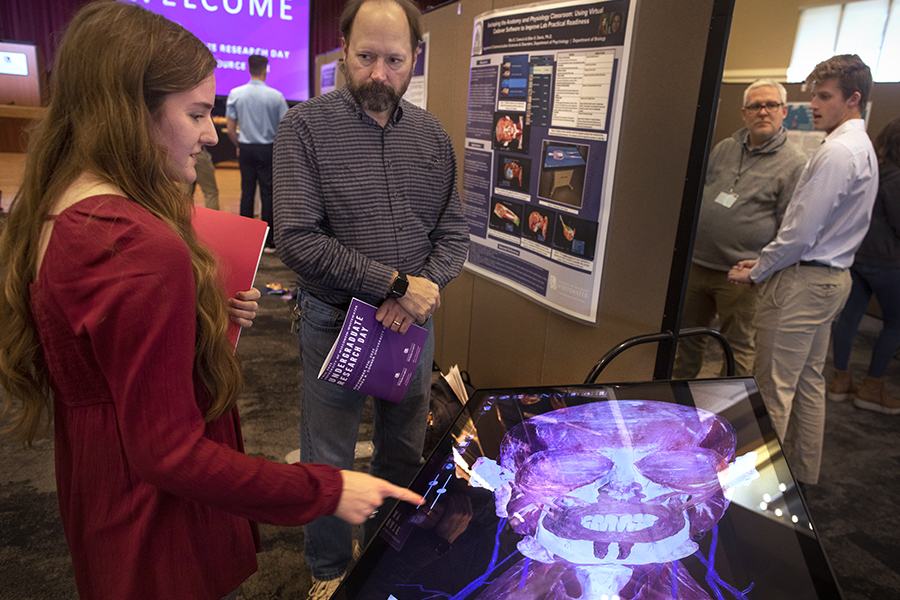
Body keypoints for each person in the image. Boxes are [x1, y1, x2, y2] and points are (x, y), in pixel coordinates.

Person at [0, 4, 422, 599]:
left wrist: (197, 315)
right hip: (155, 522)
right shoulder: (137, 248)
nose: (209, 133)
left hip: (102, 489)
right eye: (197, 113)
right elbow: (168, 450)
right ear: (127, 114)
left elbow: (104, 353)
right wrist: (324, 490)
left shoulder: (65, 208)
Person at [272, 0, 469, 597]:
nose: (378, 73)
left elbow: (452, 236)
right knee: (328, 460)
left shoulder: (432, 137)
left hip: (410, 328)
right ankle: (329, 572)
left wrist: (417, 293)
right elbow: (298, 240)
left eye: (393, 59)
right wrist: (395, 285)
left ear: (415, 58)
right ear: (342, 53)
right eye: (365, 58)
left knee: (403, 452)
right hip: (336, 323)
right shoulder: (304, 128)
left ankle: (387, 562)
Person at [728, 55, 878, 488]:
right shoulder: (859, 145)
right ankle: (801, 476)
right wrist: (767, 261)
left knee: (773, 389)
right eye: (813, 93)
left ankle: (755, 491)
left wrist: (759, 270)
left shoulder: (836, 152)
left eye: (824, 96)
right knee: (810, 381)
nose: (812, 103)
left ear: (853, 99)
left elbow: (800, 232)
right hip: (830, 279)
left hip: (804, 282)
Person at [674, 80, 806, 378]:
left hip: (742, 274)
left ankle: (731, 415)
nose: (763, 112)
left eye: (771, 105)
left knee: (737, 349)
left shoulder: (795, 163)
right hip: (698, 264)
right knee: (686, 341)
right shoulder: (726, 148)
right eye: (755, 106)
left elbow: (790, 226)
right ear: (744, 112)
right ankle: (678, 404)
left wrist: (763, 268)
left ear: (784, 111)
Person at [829, 117, 900, 414]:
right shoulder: (897, 178)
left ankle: (840, 381)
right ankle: (872, 388)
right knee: (896, 324)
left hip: (857, 258)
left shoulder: (873, 170)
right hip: (889, 264)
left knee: (849, 318)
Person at [226, 54, 287, 250]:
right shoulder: (276, 96)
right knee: (268, 193)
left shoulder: (236, 93)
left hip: (246, 148)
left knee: (247, 192)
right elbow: (285, 126)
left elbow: (229, 127)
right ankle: (269, 241)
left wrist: (239, 144)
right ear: (265, 70)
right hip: (268, 149)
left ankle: (246, 238)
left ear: (248, 69)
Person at [190, 145, 220, 209]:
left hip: (182, 154)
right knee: (210, 193)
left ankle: (179, 217)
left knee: (184, 195)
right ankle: (213, 218)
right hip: (199, 153)